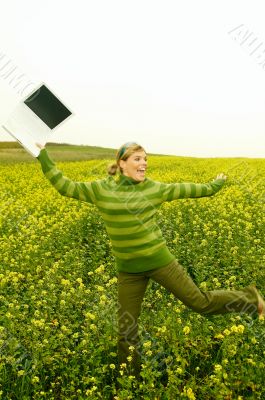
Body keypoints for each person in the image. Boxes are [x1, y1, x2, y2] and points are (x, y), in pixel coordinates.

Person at [35, 141, 265, 379]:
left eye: (145, 159)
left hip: (160, 262)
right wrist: (42, 154)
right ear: (122, 164)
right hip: (129, 272)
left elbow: (186, 189)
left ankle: (250, 299)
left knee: (201, 303)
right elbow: (64, 186)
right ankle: (129, 381)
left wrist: (215, 185)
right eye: (137, 159)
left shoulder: (154, 188)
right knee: (126, 330)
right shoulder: (100, 190)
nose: (143, 163)